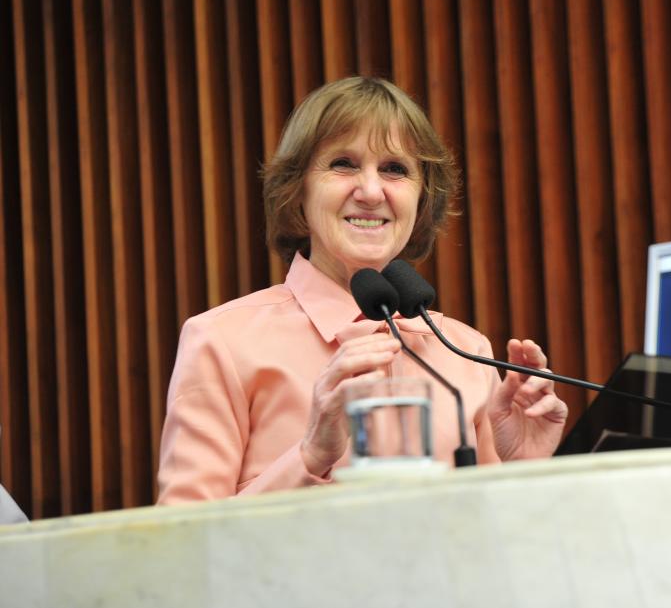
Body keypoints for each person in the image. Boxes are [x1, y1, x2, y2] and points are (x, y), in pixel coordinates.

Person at [156, 77, 568, 504]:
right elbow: (183, 537)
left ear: (422, 198)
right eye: (343, 164)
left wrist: (522, 470)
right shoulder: (223, 341)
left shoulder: (466, 353)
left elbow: (497, 536)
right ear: (298, 190)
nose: (371, 192)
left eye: (395, 169)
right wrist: (310, 456)